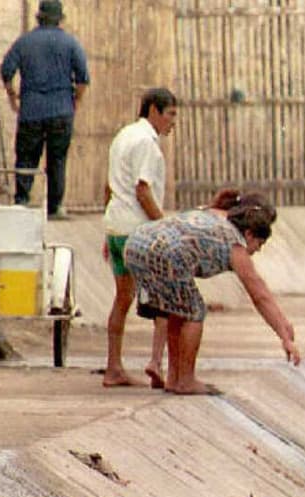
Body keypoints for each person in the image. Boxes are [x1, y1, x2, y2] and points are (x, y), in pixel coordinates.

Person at [123, 189, 301, 395]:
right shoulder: (236, 245)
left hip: (137, 243)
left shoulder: (214, 213)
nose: (258, 250)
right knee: (195, 312)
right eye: (259, 244)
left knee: (177, 309)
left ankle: (174, 378)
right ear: (249, 234)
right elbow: (259, 294)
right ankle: (186, 379)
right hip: (164, 252)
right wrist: (284, 337)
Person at [102, 88, 178, 389]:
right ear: (154, 112)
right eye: (170, 114)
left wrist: (107, 229)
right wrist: (165, 226)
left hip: (117, 229)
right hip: (139, 232)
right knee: (164, 295)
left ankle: (113, 368)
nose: (173, 122)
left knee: (122, 299)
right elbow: (143, 190)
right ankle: (156, 363)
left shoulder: (123, 136)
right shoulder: (148, 144)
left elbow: (108, 188)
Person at [0, 0, 89, 218]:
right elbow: (83, 79)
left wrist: (12, 98)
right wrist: (75, 102)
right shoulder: (71, 43)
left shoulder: (24, 42)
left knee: (26, 157)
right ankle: (55, 207)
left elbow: (6, 71)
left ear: (39, 17)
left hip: (31, 110)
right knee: (57, 159)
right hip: (61, 110)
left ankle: (21, 201)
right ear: (59, 19)